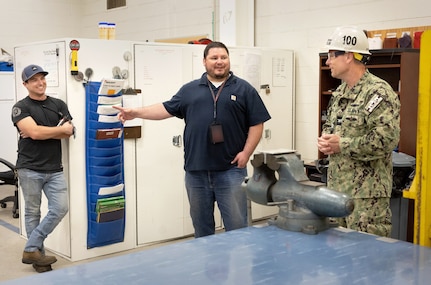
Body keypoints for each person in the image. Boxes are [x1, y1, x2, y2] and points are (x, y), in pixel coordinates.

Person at [114, 41, 271, 238]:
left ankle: (237, 268)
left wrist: (246, 153)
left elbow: (257, 123)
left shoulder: (244, 89)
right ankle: (209, 267)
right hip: (196, 173)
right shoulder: (190, 90)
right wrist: (136, 113)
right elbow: (165, 108)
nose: (219, 62)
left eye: (224, 57)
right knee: (202, 231)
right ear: (204, 62)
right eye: (214, 58)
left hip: (231, 171)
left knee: (237, 229)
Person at [317, 26, 400, 237]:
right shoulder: (340, 92)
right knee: (338, 259)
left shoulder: (378, 92)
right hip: (338, 192)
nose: (327, 61)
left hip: (366, 198)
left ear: (347, 56)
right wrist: (327, 141)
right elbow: (331, 126)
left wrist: (341, 144)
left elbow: (386, 140)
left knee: (367, 259)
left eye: (331, 55)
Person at [11, 64, 75, 273]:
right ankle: (39, 259)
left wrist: (41, 131)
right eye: (35, 79)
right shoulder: (21, 108)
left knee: (60, 208)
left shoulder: (58, 104)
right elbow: (36, 133)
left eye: (42, 78)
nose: (40, 82)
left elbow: (69, 131)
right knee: (32, 213)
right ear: (26, 84)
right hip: (30, 167)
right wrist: (56, 130)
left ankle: (31, 248)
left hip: (54, 168)